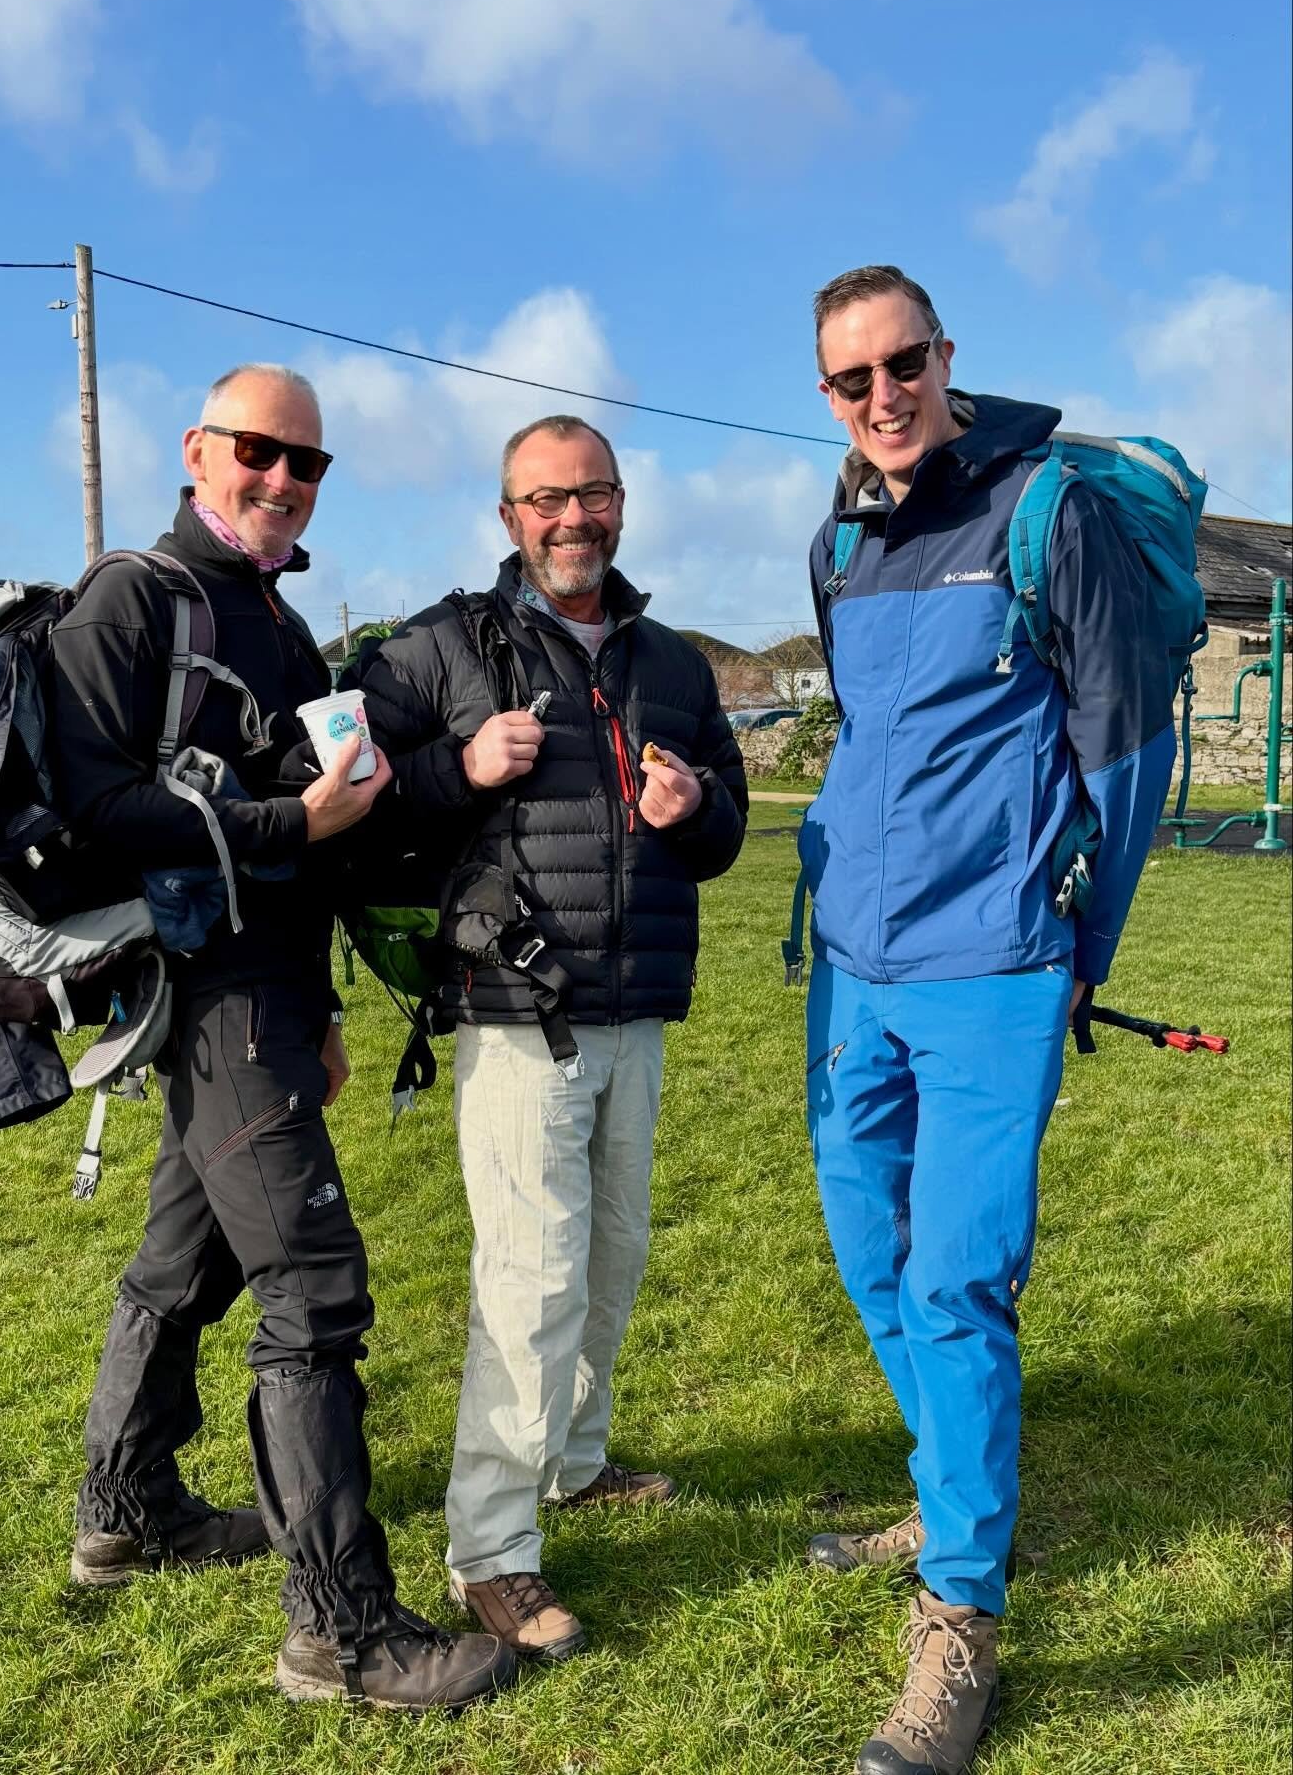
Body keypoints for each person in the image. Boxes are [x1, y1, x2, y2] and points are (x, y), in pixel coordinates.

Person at [50, 363, 517, 1714]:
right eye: (260, 451)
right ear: (197, 448)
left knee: (181, 1265)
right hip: (202, 1002)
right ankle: (343, 1630)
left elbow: (319, 842)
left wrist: (313, 1005)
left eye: (309, 465)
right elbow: (91, 803)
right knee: (311, 1296)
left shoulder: (278, 624)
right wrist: (284, 827)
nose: (283, 480)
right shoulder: (135, 598)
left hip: (261, 1001)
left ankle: (125, 1508)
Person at [799, 267, 1175, 1774]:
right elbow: (868, 733)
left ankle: (958, 1611)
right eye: (849, 377)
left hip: (996, 971)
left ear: (947, 357)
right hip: (852, 968)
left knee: (957, 1277)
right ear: (824, 392)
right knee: (870, 1252)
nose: (882, 394)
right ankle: (951, 1477)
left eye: (903, 362)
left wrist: (1079, 947)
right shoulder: (835, 538)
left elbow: (1131, 749)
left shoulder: (1041, 511)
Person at [351, 413, 748, 1662]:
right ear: (509, 515)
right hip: (518, 1015)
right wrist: (459, 767)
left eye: (594, 496)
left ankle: (573, 1462)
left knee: (612, 1260)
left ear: (622, 503)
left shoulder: (674, 664)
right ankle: (492, 1548)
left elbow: (728, 830)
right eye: (546, 500)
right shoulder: (441, 648)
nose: (573, 520)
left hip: (639, 1014)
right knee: (530, 1281)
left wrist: (695, 813)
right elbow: (346, 800)